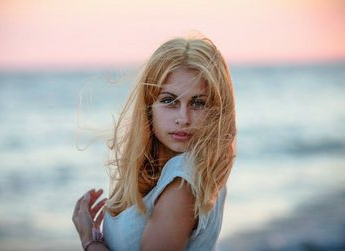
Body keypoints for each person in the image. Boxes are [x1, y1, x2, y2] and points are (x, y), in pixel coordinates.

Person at [72, 36, 237, 251]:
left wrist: (89, 240)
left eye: (198, 103)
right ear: (148, 106)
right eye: (169, 100)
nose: (183, 118)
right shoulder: (181, 171)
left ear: (216, 110)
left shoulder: (183, 182)